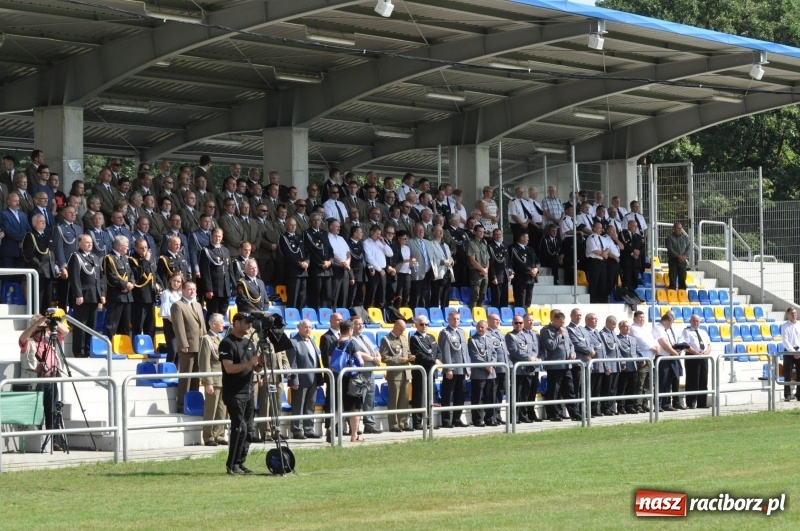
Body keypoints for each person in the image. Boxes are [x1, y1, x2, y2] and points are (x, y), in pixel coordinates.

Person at [219, 313, 262, 474]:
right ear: (236, 323)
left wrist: (260, 363)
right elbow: (229, 368)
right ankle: (232, 464)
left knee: (249, 429)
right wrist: (248, 363)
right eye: (246, 322)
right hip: (234, 392)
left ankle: (240, 462)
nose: (249, 326)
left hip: (249, 391)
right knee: (240, 428)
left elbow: (256, 368)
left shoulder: (249, 343)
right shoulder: (227, 343)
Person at [19, 314, 69, 450]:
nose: (42, 329)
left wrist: (52, 321)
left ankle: (54, 442)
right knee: (38, 412)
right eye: (39, 327)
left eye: (43, 326)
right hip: (37, 381)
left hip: (51, 380)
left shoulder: (49, 339)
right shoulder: (29, 342)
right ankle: (39, 442)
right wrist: (37, 323)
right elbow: (22, 338)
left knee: (52, 411)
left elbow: (65, 331)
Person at [170, 281, 207, 413]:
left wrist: (206, 342)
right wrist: (183, 344)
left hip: (200, 346)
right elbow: (179, 328)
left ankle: (194, 403)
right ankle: (182, 405)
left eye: (194, 289)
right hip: (188, 347)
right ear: (183, 291)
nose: (192, 291)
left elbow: (202, 326)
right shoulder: (178, 306)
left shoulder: (197, 305)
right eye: (189, 289)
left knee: (196, 377)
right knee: (186, 377)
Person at [539, 309, 581, 422]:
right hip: (555, 366)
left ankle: (574, 413)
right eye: (560, 322)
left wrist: (572, 352)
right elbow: (551, 346)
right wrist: (559, 335)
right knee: (554, 391)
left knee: (569, 390)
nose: (563, 324)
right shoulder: (546, 331)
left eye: (563, 322)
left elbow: (570, 344)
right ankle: (553, 413)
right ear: (554, 320)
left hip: (566, 365)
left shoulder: (565, 330)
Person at [287, 320, 322, 439]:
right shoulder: (293, 342)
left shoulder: (312, 340)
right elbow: (293, 363)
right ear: (299, 328)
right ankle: (297, 430)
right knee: (298, 405)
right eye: (305, 327)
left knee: (310, 405)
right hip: (301, 380)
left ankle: (309, 429)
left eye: (310, 327)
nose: (308, 329)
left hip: (313, 379)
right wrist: (294, 380)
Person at [333, 320, 368, 442]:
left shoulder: (334, 343)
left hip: (337, 377)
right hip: (351, 380)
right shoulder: (352, 343)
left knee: (338, 406)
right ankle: (354, 435)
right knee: (355, 408)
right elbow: (360, 361)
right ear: (350, 330)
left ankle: (330, 430)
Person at [199, 313, 228, 446]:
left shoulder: (221, 339)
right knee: (211, 409)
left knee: (222, 409)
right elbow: (204, 362)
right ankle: (208, 436)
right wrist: (208, 382)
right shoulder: (207, 339)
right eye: (221, 322)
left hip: (223, 379)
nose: (224, 324)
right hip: (214, 380)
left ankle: (219, 434)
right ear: (213, 324)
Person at [351, 316, 382, 434]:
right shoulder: (352, 339)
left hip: (370, 372)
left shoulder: (366, 337)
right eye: (358, 324)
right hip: (360, 373)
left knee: (370, 398)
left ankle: (370, 424)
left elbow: (375, 349)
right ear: (352, 325)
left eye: (361, 324)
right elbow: (359, 354)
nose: (361, 326)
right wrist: (374, 359)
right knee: (360, 400)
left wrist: (378, 357)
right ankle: (356, 427)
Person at [409, 316, 441, 429]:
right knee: (419, 398)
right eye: (421, 324)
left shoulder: (431, 337)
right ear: (416, 325)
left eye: (426, 324)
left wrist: (437, 359)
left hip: (431, 372)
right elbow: (418, 354)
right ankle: (417, 423)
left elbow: (438, 351)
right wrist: (433, 361)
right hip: (421, 372)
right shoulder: (414, 338)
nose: (424, 327)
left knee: (430, 398)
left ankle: (429, 421)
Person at [380, 319, 411, 432]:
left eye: (403, 330)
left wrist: (411, 357)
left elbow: (408, 352)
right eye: (400, 330)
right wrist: (399, 360)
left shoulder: (403, 338)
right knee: (394, 399)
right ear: (395, 327)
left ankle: (403, 422)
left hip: (406, 372)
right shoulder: (386, 340)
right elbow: (384, 357)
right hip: (394, 373)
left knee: (404, 399)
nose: (402, 332)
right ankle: (393, 424)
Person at [22, 213, 56, 312]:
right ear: (34, 224)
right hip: (38, 272)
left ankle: (46, 322)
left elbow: (51, 252)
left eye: (44, 222)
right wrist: (38, 265)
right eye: (41, 222)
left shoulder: (46, 235)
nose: (44, 224)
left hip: (48, 272)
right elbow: (28, 253)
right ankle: (36, 323)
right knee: (37, 299)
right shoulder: (30, 235)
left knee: (47, 299)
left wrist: (55, 265)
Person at [198, 228, 233, 320]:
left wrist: (233, 285)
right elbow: (205, 271)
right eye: (215, 236)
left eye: (219, 236)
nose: (217, 238)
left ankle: (218, 333)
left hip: (225, 289)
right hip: (214, 289)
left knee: (222, 314)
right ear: (211, 236)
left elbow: (230, 269)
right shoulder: (206, 251)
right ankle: (210, 333)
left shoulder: (226, 250)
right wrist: (208, 289)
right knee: (213, 314)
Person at [103, 235, 134, 337]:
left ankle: (123, 348)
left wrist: (131, 284)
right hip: (117, 296)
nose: (128, 248)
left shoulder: (125, 258)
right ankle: (109, 348)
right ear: (119, 246)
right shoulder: (109, 258)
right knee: (112, 325)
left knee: (125, 325)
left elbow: (131, 274)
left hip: (127, 297)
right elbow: (111, 277)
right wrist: (125, 285)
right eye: (126, 246)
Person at [129, 238, 160, 338]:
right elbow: (137, 275)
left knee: (150, 324)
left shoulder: (149, 258)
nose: (144, 250)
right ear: (136, 248)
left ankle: (149, 344)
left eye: (146, 247)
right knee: (139, 323)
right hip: (140, 296)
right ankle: (137, 344)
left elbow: (154, 273)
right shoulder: (132, 259)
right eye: (141, 248)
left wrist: (160, 286)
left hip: (151, 294)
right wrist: (145, 260)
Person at [652, 313, 684, 412]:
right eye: (670, 323)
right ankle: (659, 404)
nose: (671, 325)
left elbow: (670, 343)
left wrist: (677, 350)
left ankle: (666, 403)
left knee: (668, 382)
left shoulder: (666, 330)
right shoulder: (658, 329)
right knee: (661, 382)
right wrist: (675, 353)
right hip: (662, 358)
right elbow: (664, 344)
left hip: (669, 357)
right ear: (666, 321)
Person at [468, 320, 496, 427]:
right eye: (479, 327)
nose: (480, 329)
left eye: (483, 327)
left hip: (491, 373)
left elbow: (494, 354)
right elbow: (475, 356)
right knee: (478, 398)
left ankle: (490, 418)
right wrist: (486, 366)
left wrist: (492, 365)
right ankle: (477, 420)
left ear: (487, 328)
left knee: (490, 397)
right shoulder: (472, 340)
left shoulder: (490, 339)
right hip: (478, 374)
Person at [681, 313, 712, 409]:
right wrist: (696, 353)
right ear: (690, 321)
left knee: (703, 380)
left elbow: (709, 345)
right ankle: (691, 403)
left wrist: (706, 352)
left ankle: (702, 403)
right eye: (694, 320)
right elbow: (686, 346)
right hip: (692, 357)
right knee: (692, 380)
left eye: (698, 321)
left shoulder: (703, 332)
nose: (696, 323)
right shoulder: (687, 331)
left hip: (703, 357)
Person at [630, 310, 658, 413]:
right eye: (640, 318)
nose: (642, 319)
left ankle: (644, 404)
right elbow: (641, 341)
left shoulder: (645, 328)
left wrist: (656, 346)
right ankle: (637, 404)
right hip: (643, 360)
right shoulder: (633, 328)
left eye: (643, 317)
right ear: (634, 318)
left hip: (651, 359)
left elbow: (653, 339)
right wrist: (652, 347)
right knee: (640, 384)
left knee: (648, 384)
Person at [486, 313, 512, 425]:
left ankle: (497, 416)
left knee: (500, 393)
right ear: (489, 321)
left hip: (503, 368)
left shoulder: (500, 333)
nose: (499, 321)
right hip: (495, 369)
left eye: (499, 319)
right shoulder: (487, 334)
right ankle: (490, 417)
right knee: (492, 393)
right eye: (496, 320)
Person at [616, 320, 642, 415]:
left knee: (632, 387)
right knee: (622, 388)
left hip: (634, 366)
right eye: (625, 326)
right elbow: (618, 352)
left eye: (628, 327)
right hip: (625, 367)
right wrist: (622, 363)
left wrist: (641, 359)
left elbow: (638, 350)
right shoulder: (617, 339)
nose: (628, 328)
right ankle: (621, 407)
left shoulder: (633, 339)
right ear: (620, 328)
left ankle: (630, 406)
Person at [509, 232, 539, 309]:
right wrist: (530, 270)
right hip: (520, 279)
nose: (528, 239)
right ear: (522, 238)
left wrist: (536, 269)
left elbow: (536, 261)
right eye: (527, 237)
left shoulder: (530, 249)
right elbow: (519, 263)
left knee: (528, 300)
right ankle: (521, 317)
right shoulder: (513, 248)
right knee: (520, 301)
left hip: (531, 278)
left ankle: (527, 316)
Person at [160, 273, 184, 364]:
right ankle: (168, 373)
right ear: (170, 280)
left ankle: (175, 373)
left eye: (178, 281)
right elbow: (166, 312)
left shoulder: (181, 294)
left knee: (179, 352)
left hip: (179, 325)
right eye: (174, 280)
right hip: (170, 324)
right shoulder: (166, 293)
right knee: (172, 351)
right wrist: (176, 323)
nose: (176, 283)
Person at [428, 225, 454, 310]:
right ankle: (434, 314)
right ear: (434, 233)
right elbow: (431, 260)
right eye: (438, 231)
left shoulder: (446, 245)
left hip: (447, 272)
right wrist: (443, 262)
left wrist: (451, 261)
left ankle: (445, 313)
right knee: (436, 295)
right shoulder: (431, 244)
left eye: (442, 230)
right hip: (438, 273)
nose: (441, 232)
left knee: (446, 296)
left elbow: (449, 257)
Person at [467, 225, 489, 309]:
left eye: (483, 232)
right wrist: (481, 269)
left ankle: (480, 314)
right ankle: (473, 314)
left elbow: (488, 259)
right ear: (475, 232)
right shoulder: (471, 244)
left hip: (484, 272)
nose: (482, 233)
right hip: (475, 272)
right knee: (475, 296)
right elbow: (472, 260)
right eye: (480, 231)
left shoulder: (484, 244)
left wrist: (486, 269)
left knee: (483, 295)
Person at [780, 307, 800, 402]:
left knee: (799, 374)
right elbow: (785, 341)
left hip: (799, 351)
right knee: (787, 374)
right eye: (792, 313)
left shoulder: (799, 324)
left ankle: (799, 394)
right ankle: (787, 395)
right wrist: (793, 352)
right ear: (788, 314)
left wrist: (798, 351)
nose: (794, 315)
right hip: (788, 351)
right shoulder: (784, 326)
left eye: (795, 313)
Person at [618, 219, 644, 292]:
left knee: (635, 280)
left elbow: (642, 247)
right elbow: (623, 245)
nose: (635, 228)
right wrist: (632, 251)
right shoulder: (622, 234)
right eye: (634, 226)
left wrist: (639, 252)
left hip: (636, 262)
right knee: (626, 280)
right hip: (627, 262)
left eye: (636, 226)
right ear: (629, 225)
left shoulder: (638, 236)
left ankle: (633, 295)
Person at [666, 222, 690, 290]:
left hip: (682, 261)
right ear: (674, 229)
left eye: (681, 228)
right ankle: (672, 294)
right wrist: (678, 256)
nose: (680, 230)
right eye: (678, 228)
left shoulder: (685, 237)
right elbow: (670, 249)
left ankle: (682, 294)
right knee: (672, 278)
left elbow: (688, 247)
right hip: (673, 260)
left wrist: (685, 256)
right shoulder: (669, 238)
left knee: (682, 278)